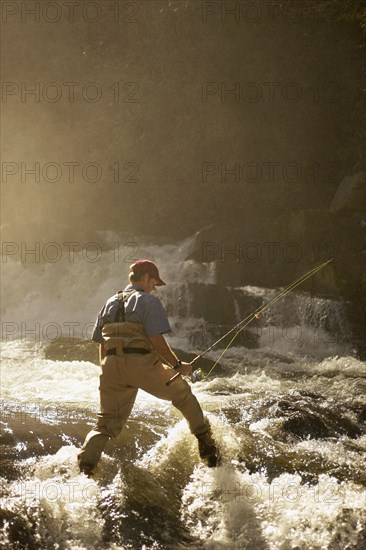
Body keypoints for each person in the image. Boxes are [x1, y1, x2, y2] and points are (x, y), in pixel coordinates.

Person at [77, 259, 219, 476]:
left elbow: (102, 344)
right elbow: (155, 339)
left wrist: (105, 370)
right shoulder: (148, 301)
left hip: (111, 366)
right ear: (145, 278)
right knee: (182, 394)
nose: (155, 287)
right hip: (141, 363)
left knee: (105, 424)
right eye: (154, 282)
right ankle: (207, 444)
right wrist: (177, 365)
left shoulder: (109, 302)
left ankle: (85, 467)